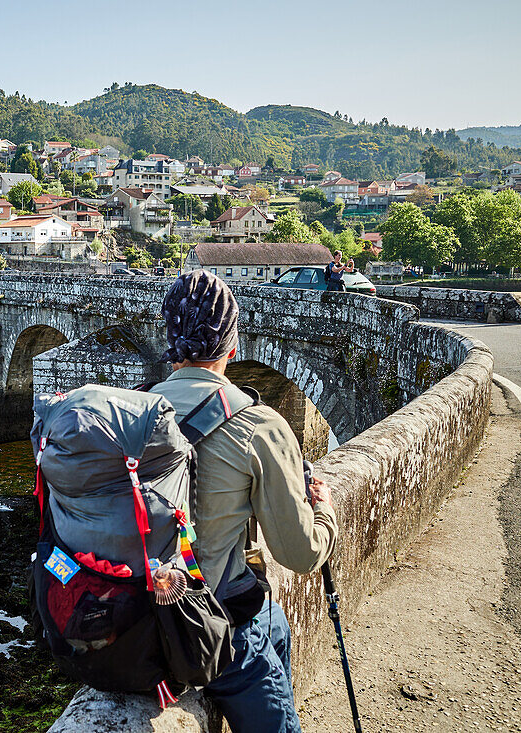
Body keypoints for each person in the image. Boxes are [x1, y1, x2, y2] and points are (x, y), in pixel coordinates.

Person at [147, 270, 338, 733]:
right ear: (233, 346)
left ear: (169, 341)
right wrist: (325, 511)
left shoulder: (136, 409)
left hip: (147, 617)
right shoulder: (259, 425)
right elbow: (301, 553)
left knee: (273, 620)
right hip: (216, 627)